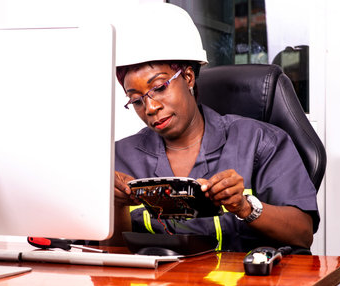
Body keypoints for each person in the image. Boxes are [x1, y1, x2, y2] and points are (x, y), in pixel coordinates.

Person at [111, 3, 319, 252]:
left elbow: (302, 234)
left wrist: (245, 206)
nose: (150, 107)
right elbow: (109, 258)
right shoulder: (119, 158)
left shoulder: (261, 142)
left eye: (159, 87)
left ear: (188, 77)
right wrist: (116, 206)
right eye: (136, 99)